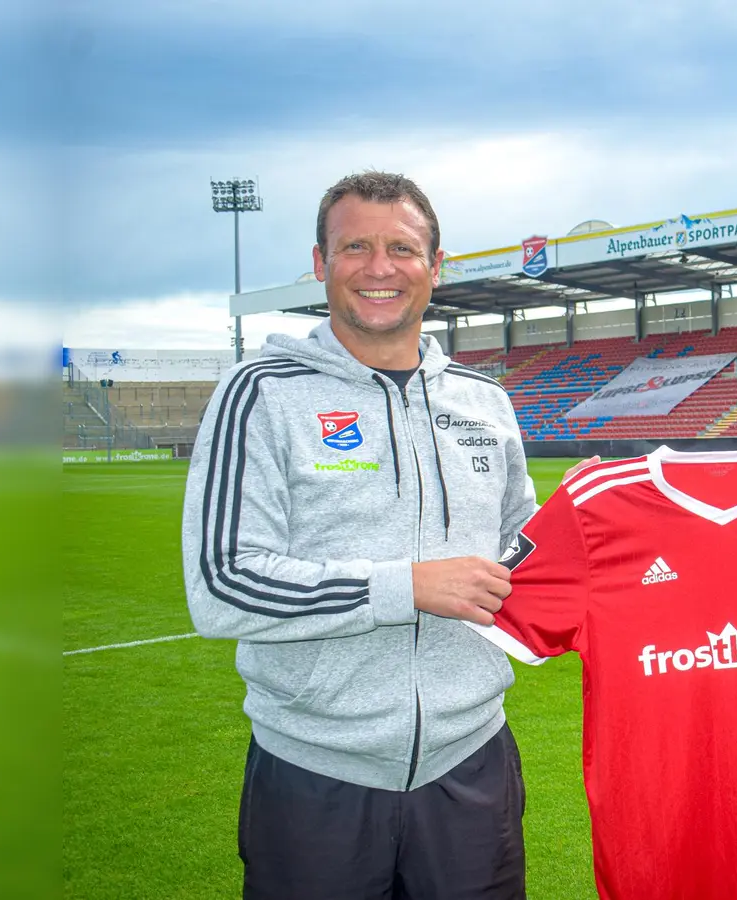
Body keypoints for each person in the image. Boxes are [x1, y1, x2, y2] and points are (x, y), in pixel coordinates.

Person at [182, 171, 536, 899]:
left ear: (436, 267)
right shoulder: (262, 394)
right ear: (320, 264)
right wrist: (403, 587)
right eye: (355, 248)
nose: (380, 268)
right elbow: (222, 584)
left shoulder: (486, 402)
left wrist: (597, 511)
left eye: (402, 248)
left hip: (471, 766)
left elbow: (523, 554)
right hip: (318, 773)